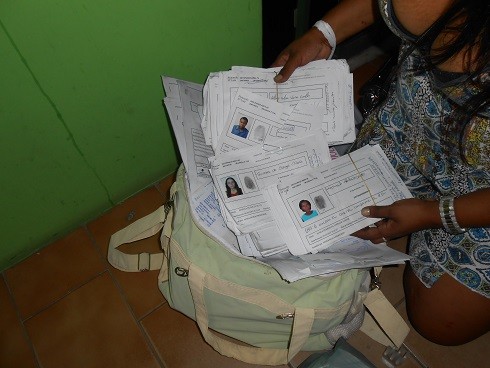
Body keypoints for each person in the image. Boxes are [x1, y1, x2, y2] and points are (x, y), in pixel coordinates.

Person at [272, 0, 489, 346]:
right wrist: (323, 33)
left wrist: (434, 213)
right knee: (334, 211)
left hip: (482, 190)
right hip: (410, 129)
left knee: (440, 322)